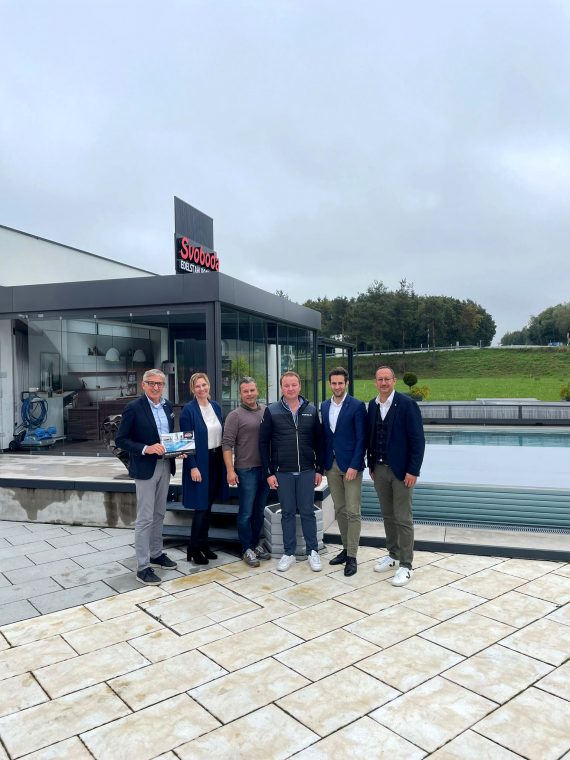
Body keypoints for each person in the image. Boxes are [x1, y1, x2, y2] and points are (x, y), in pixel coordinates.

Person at [115, 369, 178, 585]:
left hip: (165, 464)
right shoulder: (133, 408)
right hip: (145, 468)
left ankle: (156, 554)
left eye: (159, 383)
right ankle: (142, 567)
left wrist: (177, 449)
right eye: (151, 383)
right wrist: (145, 448)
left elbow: (168, 437)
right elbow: (121, 439)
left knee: (159, 513)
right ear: (143, 385)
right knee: (145, 518)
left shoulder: (168, 406)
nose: (155, 387)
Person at [259, 370, 323, 572]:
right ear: (281, 388)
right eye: (286, 385)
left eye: (294, 385)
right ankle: (289, 553)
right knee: (287, 512)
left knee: (307, 511)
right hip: (282, 471)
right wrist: (269, 473)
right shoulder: (272, 410)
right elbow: (263, 443)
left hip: (307, 470)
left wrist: (319, 469)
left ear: (299, 386)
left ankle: (313, 551)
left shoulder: (311, 410)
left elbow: (319, 441)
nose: (290, 388)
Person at [367, 365, 425, 586]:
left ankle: (406, 565)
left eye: (387, 379)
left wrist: (413, 470)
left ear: (394, 381)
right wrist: (371, 465)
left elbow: (418, 440)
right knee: (388, 515)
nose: (383, 383)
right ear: (375, 382)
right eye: (380, 379)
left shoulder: (407, 404)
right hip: (379, 470)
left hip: (401, 472)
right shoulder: (372, 405)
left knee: (403, 518)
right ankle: (393, 554)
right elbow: (372, 437)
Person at [321, 367, 367, 577]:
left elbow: (361, 438)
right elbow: (325, 437)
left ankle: (352, 556)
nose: (337, 386)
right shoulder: (324, 406)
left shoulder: (357, 406)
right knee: (339, 509)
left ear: (346, 383)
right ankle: (346, 549)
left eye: (341, 383)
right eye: (334, 383)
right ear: (330, 384)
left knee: (353, 511)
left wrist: (355, 465)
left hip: (350, 467)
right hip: (331, 466)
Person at [222, 377, 271, 568]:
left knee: (259, 511)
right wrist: (230, 470)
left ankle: (256, 544)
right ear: (240, 394)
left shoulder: (266, 411)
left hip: (265, 470)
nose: (249, 394)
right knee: (246, 512)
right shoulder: (235, 416)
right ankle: (246, 548)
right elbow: (227, 445)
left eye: (252, 390)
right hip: (246, 470)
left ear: (257, 391)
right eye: (245, 391)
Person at [180, 372, 226, 565]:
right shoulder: (188, 411)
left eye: (204, 385)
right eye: (197, 386)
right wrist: (193, 467)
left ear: (209, 386)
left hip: (215, 460)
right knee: (200, 507)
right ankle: (193, 548)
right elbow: (186, 442)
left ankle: (204, 545)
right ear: (193, 389)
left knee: (208, 506)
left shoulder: (215, 406)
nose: (201, 389)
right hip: (199, 462)